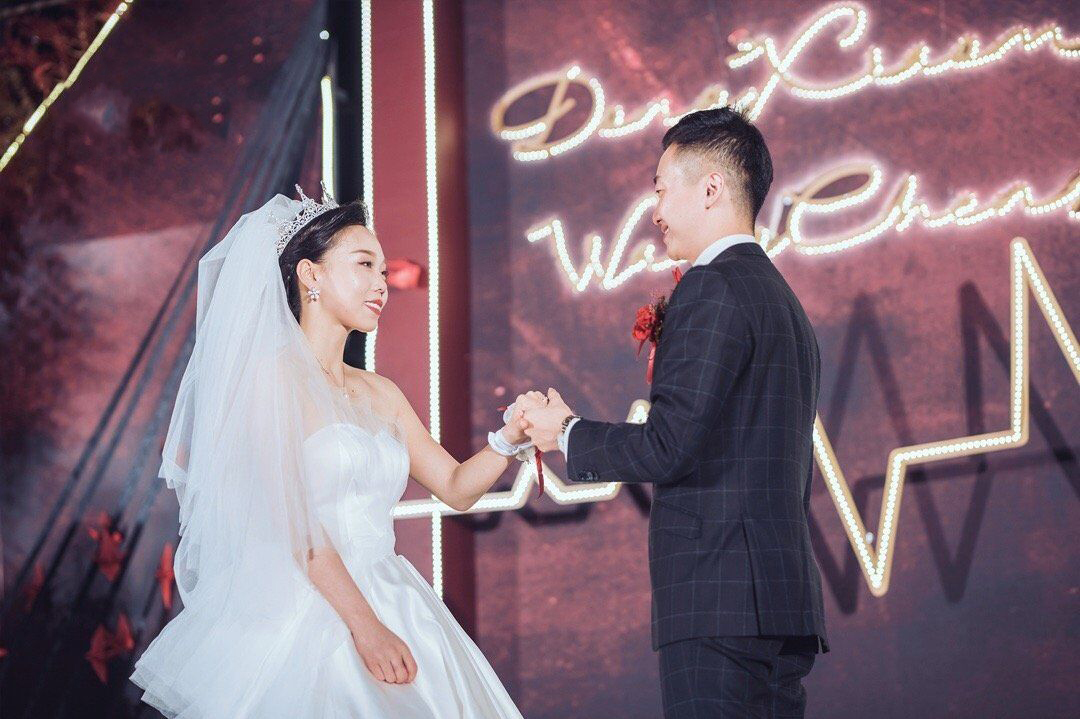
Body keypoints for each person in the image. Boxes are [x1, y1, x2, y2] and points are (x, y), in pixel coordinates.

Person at [130, 184, 540, 718]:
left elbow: (456, 488)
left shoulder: (381, 392)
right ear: (311, 275)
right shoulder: (269, 380)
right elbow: (298, 529)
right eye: (364, 264)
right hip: (312, 608)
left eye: (383, 270)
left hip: (394, 594)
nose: (381, 283)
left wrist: (509, 438)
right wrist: (366, 628)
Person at [522, 108, 829, 718]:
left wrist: (567, 433)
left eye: (661, 189)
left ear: (711, 188)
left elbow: (668, 445)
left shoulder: (711, 287)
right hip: (781, 599)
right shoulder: (784, 302)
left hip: (718, 599)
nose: (655, 211)